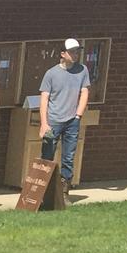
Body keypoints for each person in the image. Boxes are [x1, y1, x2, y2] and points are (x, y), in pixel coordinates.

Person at [38, 38, 92, 192]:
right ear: (63, 54)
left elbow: (84, 92)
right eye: (72, 52)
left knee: (68, 157)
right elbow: (44, 98)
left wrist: (78, 116)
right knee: (47, 155)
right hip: (53, 120)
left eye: (77, 51)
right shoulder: (51, 73)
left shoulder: (82, 70)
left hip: (72, 121)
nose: (75, 54)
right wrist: (44, 123)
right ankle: (43, 189)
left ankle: (64, 189)